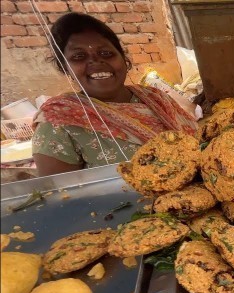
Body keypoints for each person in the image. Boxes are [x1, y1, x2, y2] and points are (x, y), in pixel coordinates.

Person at [32, 12, 198, 177]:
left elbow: (197, 145)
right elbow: (60, 195)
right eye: (79, 56)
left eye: (106, 53)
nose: (95, 61)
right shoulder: (58, 120)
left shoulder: (155, 98)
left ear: (123, 59)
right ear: (65, 67)